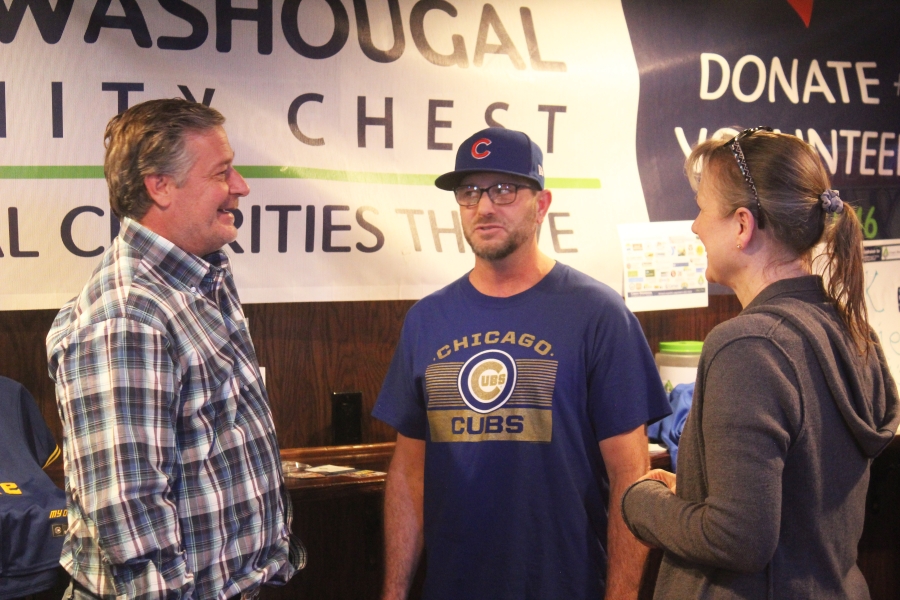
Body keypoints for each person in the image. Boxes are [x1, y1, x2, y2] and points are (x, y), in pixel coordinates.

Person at [373, 127, 671, 600]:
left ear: (543, 204)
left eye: (504, 189)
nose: (484, 206)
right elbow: (410, 474)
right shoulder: (426, 320)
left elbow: (630, 481)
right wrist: (393, 593)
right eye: (469, 192)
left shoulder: (599, 315)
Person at [621, 127, 900, 599]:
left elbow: (737, 537)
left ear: (742, 225)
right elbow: (795, 504)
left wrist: (641, 501)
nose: (694, 226)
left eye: (703, 209)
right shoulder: (854, 333)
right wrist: (688, 491)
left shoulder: (748, 346)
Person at [46, 98, 305, 600]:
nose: (241, 187)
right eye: (222, 173)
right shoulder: (126, 317)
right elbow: (128, 512)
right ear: (159, 186)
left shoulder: (198, 277)